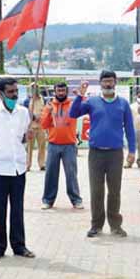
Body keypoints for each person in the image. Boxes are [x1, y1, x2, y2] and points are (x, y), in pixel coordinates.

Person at [69, 70, 136, 238]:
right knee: (96, 190)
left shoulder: (123, 104)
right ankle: (96, 225)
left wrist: (132, 150)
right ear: (100, 83)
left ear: (115, 83)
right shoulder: (92, 102)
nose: (108, 84)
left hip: (115, 154)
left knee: (115, 190)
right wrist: (80, 96)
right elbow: (73, 113)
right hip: (96, 154)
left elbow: (129, 128)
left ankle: (115, 225)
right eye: (105, 81)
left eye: (111, 81)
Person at [0, 78, 36, 260]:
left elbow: (23, 139)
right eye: (10, 92)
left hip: (18, 168)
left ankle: (19, 246)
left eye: (16, 91)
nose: (14, 95)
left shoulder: (23, 112)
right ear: (0, 93)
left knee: (17, 209)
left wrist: (29, 136)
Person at [40, 81, 83, 210]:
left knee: (71, 174)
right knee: (50, 174)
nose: (61, 93)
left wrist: (81, 95)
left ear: (66, 91)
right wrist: (48, 111)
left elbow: (83, 106)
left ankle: (76, 200)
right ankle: (48, 200)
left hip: (69, 145)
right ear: (55, 91)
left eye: (63, 90)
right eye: (58, 90)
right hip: (53, 144)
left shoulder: (72, 105)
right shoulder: (49, 105)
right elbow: (44, 125)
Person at [23, 82, 47, 172]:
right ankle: (27, 165)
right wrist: (33, 117)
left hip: (41, 126)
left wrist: (41, 117)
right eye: (33, 88)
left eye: (36, 88)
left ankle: (42, 164)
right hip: (31, 127)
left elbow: (45, 110)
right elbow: (25, 112)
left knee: (42, 146)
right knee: (29, 147)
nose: (35, 89)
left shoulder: (43, 99)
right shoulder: (27, 100)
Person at [129, 89, 140, 169]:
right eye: (139, 94)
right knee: (132, 146)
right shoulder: (132, 106)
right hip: (133, 128)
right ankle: (129, 162)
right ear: (136, 96)